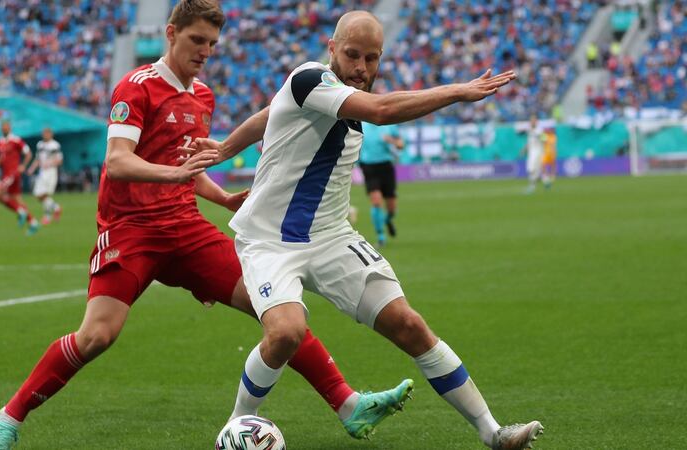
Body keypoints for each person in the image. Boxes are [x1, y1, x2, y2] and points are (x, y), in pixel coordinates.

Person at [0, 3, 409, 449]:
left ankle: (348, 403)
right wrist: (174, 175)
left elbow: (187, 164)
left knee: (278, 312)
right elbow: (119, 161)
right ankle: (8, 419)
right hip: (131, 229)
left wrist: (221, 196)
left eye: (212, 44)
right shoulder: (136, 87)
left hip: (186, 227)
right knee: (97, 336)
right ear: (171, 33)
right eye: (196, 41)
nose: (205, 51)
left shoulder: (202, 95)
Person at [186, 10, 543, 450]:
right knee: (285, 333)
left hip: (333, 238)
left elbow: (267, 113)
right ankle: (238, 425)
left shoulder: (332, 94)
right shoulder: (310, 79)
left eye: (371, 59)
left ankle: (495, 434)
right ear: (332, 49)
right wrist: (457, 91)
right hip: (269, 240)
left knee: (409, 325)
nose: (361, 68)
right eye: (352, 55)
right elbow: (382, 110)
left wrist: (224, 147)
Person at [0, 120, 40, 235]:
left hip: (13, 173)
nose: (4, 128)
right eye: (3, 127)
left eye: (6, 127)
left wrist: (23, 166)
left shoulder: (16, 140)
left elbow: (28, 153)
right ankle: (33, 222)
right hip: (6, 173)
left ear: (10, 128)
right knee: (16, 198)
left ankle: (20, 212)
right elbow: (2, 157)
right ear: (1, 128)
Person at [359, 121, 404, 247]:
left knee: (391, 208)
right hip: (368, 166)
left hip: (386, 166)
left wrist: (392, 141)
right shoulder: (361, 125)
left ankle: (387, 220)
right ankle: (380, 236)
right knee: (376, 201)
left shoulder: (389, 125)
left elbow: (401, 145)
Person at [26, 127, 63, 225]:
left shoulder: (54, 145)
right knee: (39, 194)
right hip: (42, 172)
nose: (45, 135)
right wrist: (31, 169)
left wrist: (49, 164)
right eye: (44, 133)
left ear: (51, 134)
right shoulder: (40, 144)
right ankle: (55, 208)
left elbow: (59, 160)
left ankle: (47, 216)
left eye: (47, 133)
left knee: (42, 194)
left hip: (50, 172)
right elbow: (37, 159)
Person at [524, 114, 544, 194]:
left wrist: (540, 136)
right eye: (531, 120)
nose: (532, 122)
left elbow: (544, 139)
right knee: (530, 169)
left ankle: (533, 185)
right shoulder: (529, 130)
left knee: (533, 169)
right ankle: (536, 182)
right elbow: (529, 141)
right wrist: (524, 149)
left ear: (536, 121)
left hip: (538, 151)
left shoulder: (539, 130)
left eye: (533, 120)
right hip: (531, 151)